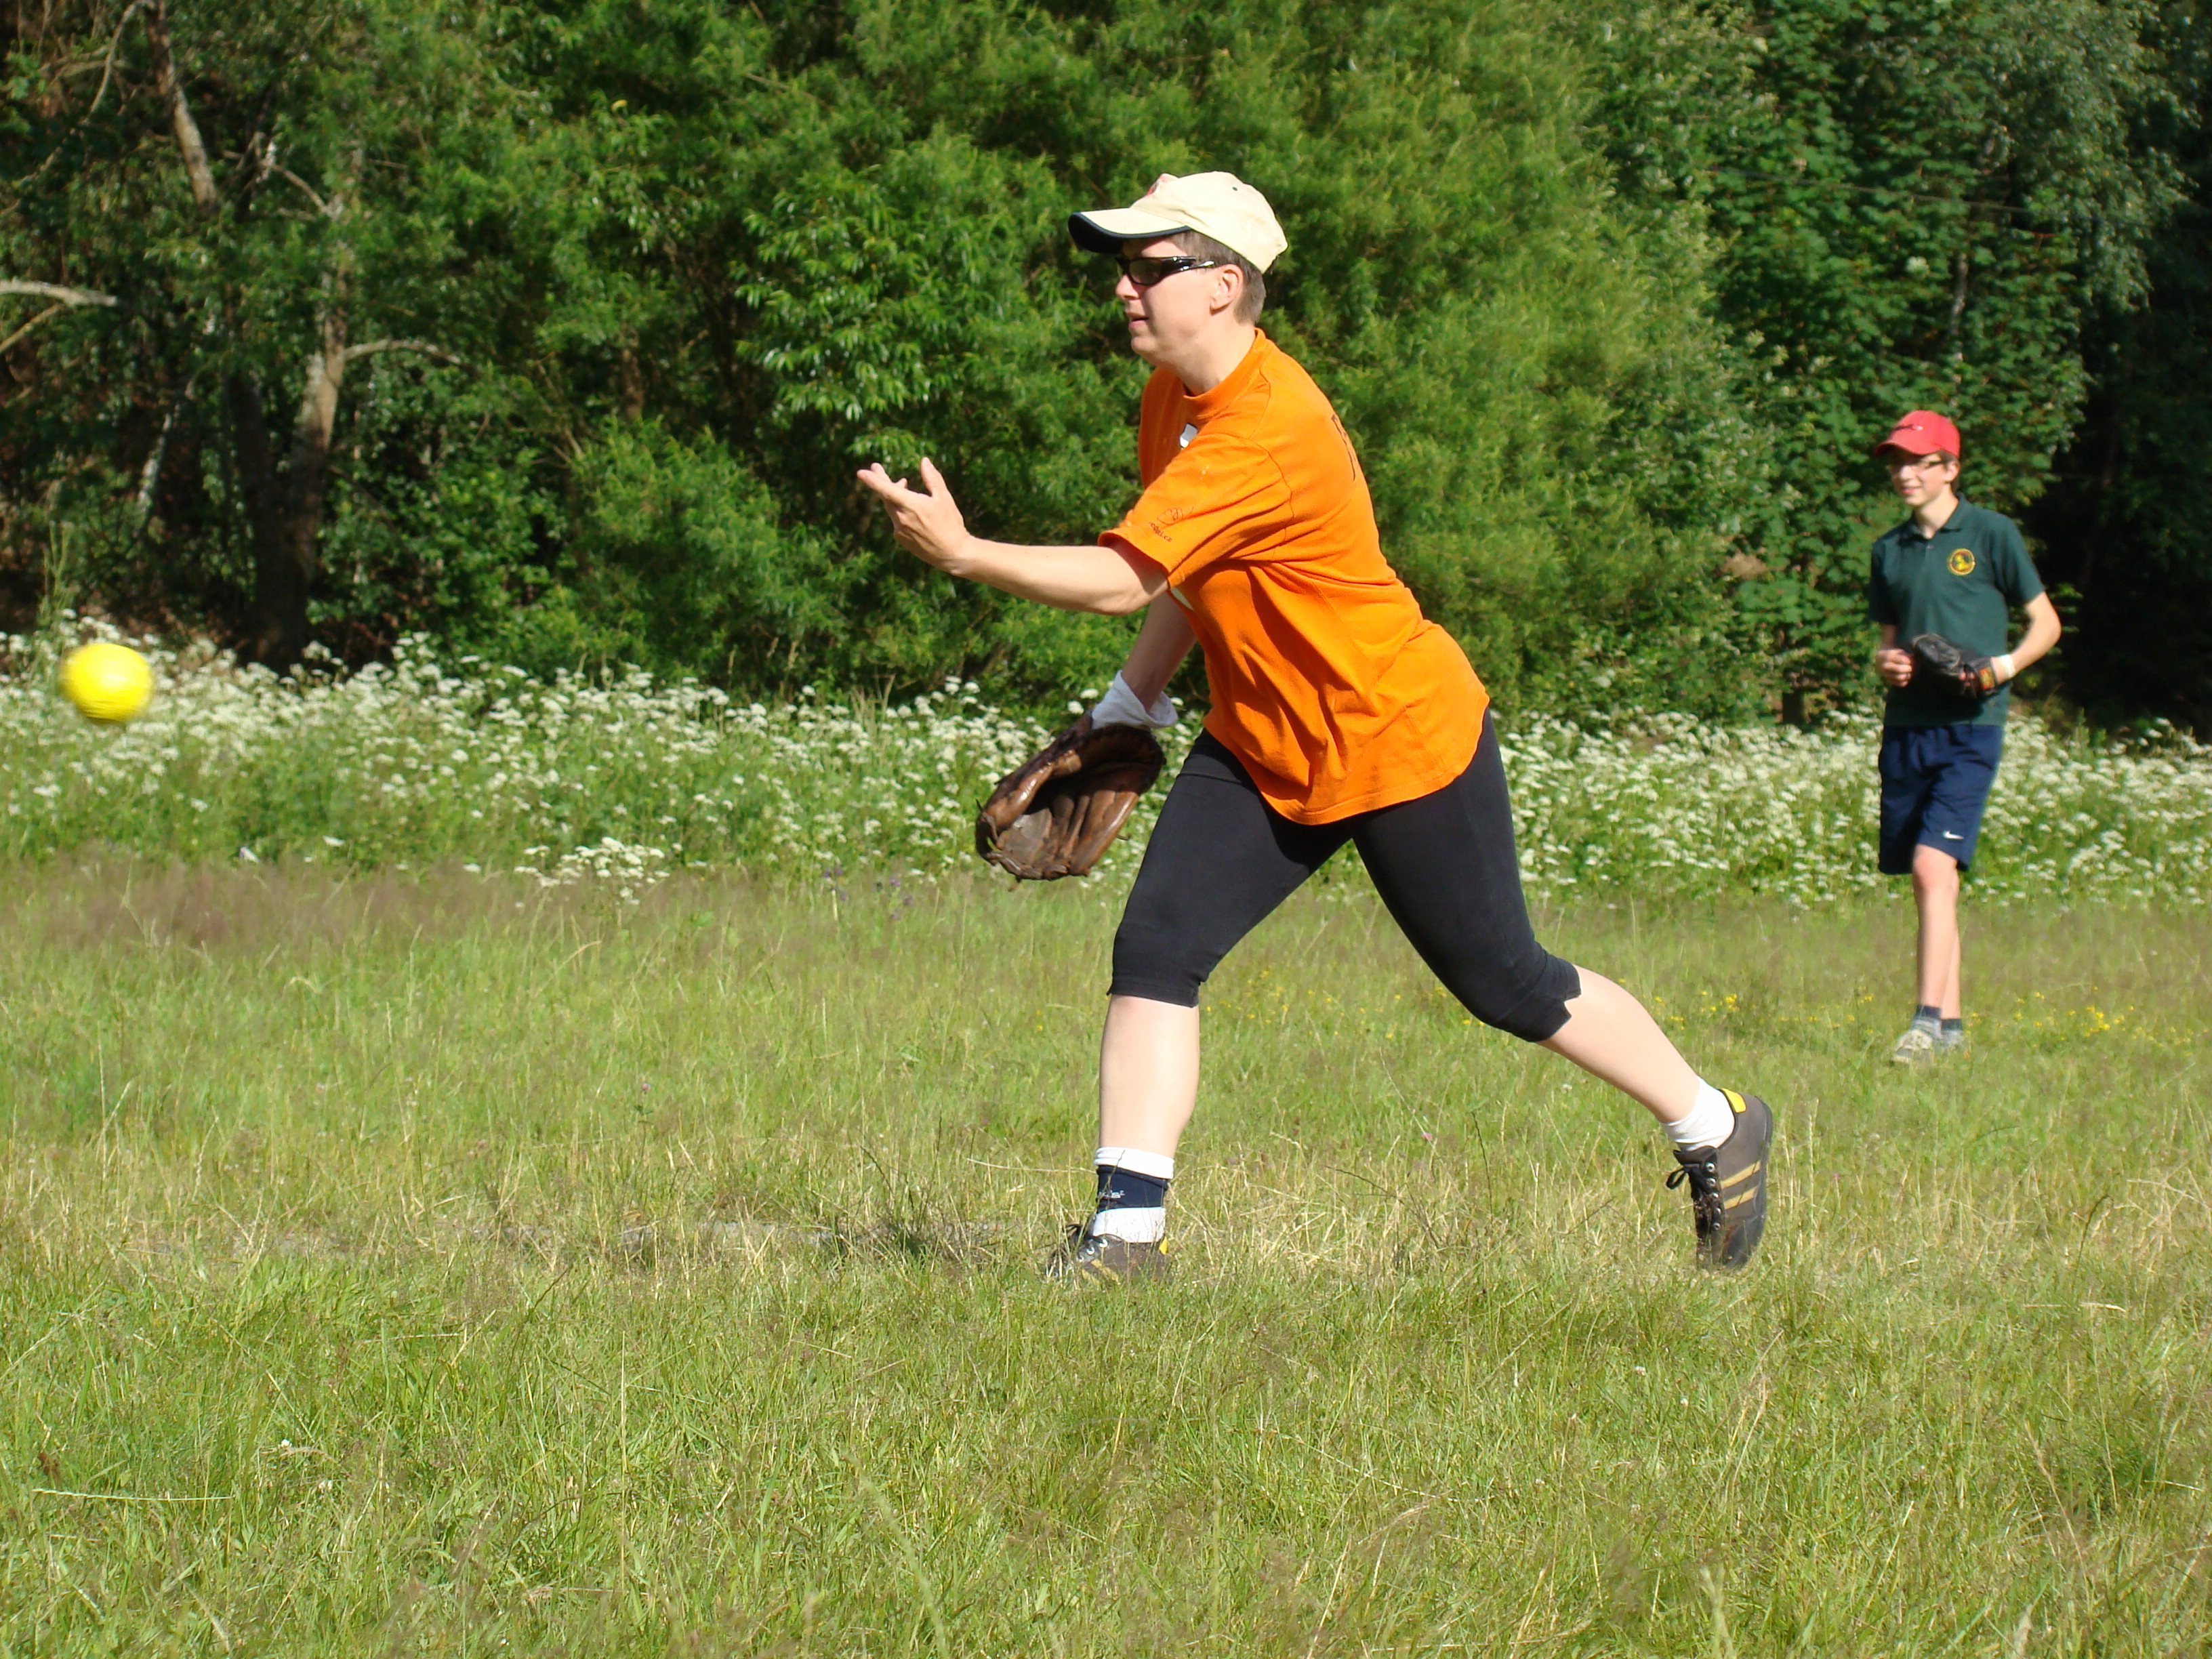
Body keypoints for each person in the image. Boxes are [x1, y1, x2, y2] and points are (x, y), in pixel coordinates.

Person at [857, 171, 1774, 1280]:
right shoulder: (1173, 402)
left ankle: (1715, 1122)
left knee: (1506, 981)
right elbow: (1188, 577)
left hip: (1393, 736)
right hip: (1261, 739)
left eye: (1149, 267)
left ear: (1222, 284)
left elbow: (1121, 578)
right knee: (1157, 947)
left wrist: (965, 554)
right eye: (1123, 266)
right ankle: (1125, 1238)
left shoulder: (1263, 427)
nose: (1123, 287)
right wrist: (1131, 701)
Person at [1867, 411, 2062, 1064]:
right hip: (1907, 728)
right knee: (1931, 878)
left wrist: (2003, 668)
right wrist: (1887, 664)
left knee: (1933, 865)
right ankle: (1950, 1029)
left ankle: (1923, 1023)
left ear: (1951, 468)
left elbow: (2046, 623)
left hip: (1971, 728)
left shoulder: (1990, 533)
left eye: (1919, 462)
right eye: (1897, 462)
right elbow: (1889, 643)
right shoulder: (1889, 550)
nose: (1905, 473)